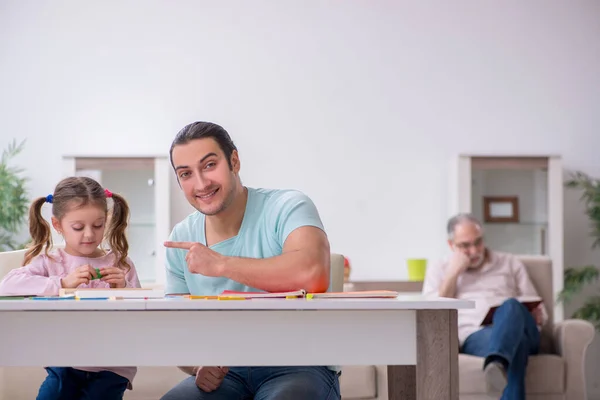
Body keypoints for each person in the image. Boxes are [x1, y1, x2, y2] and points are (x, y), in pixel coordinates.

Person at [160, 121, 340, 400]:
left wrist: (220, 264)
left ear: (234, 161)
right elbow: (178, 331)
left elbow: (312, 273)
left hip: (300, 365)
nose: (201, 183)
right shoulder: (181, 237)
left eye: (209, 165)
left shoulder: (288, 206)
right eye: (186, 174)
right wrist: (198, 365)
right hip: (227, 372)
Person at [0, 176, 141, 400]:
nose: (89, 234)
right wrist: (62, 283)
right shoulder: (51, 261)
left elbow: (143, 314)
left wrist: (123, 288)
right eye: (78, 227)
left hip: (112, 366)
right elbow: (7, 285)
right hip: (64, 360)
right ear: (58, 225)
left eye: (98, 225)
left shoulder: (120, 263)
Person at [422, 213, 547, 399]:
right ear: (451, 245)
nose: (474, 251)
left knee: (511, 305)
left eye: (478, 242)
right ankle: (498, 362)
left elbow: (539, 309)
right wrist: (454, 273)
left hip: (522, 327)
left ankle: (496, 360)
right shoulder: (440, 268)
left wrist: (538, 316)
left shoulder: (509, 263)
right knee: (515, 343)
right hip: (478, 336)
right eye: (465, 246)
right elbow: (433, 312)